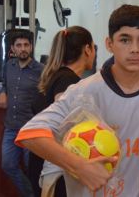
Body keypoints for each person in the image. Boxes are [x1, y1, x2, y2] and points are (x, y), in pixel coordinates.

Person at [15, 4, 139, 197]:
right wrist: (79, 166)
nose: (135, 49)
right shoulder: (83, 91)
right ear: (109, 44)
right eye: (125, 40)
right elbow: (29, 134)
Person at [28, 26, 96, 197]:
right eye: (93, 47)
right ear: (87, 49)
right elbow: (66, 126)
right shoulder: (68, 81)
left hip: (42, 161)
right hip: (54, 167)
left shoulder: (54, 75)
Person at [0, 31, 43, 197]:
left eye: (26, 45)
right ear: (12, 48)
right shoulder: (9, 65)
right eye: (19, 45)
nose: (23, 49)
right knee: (7, 165)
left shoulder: (41, 70)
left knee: (32, 170)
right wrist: (3, 92)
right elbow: (4, 84)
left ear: (31, 47)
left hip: (31, 129)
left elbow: (46, 97)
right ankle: (30, 194)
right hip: (10, 127)